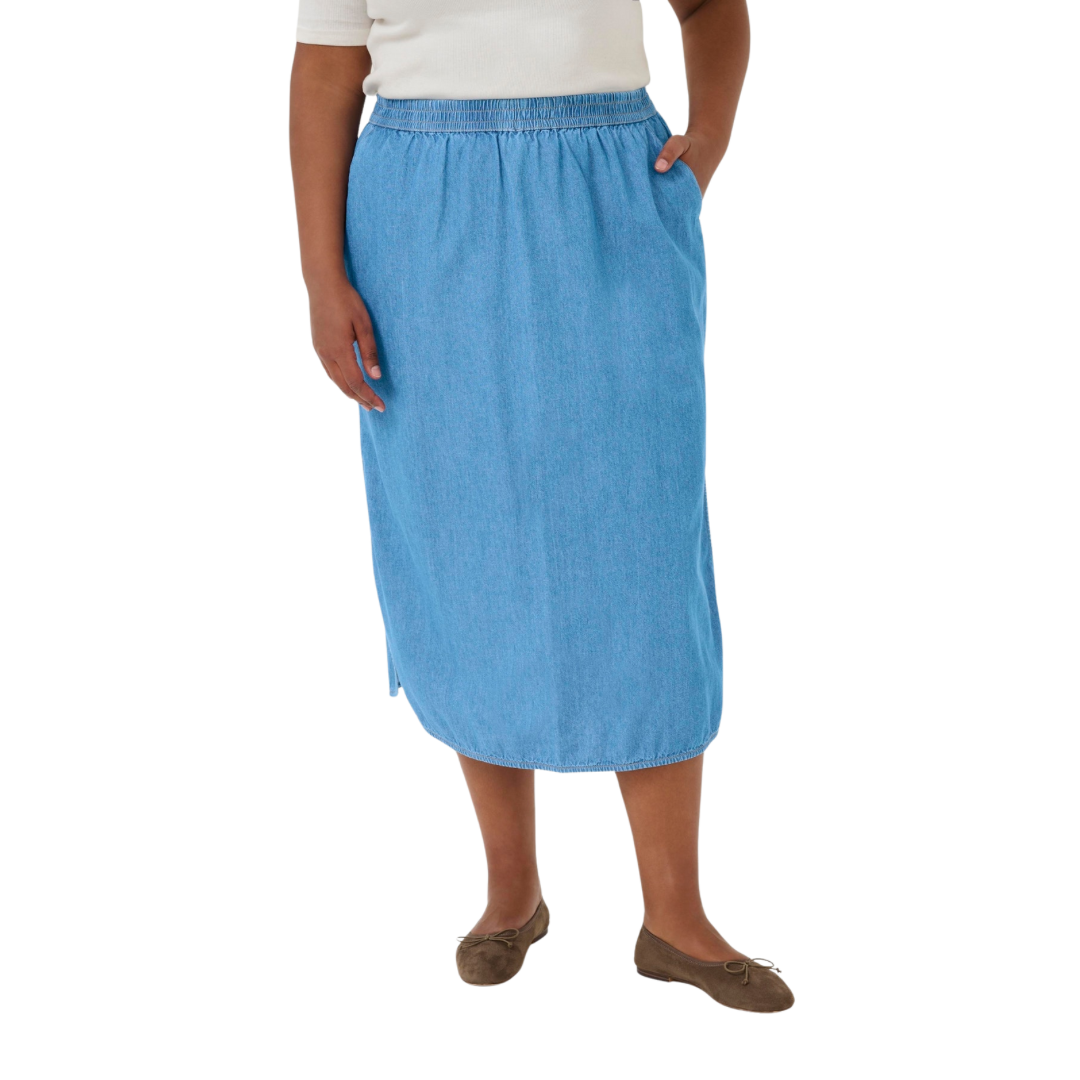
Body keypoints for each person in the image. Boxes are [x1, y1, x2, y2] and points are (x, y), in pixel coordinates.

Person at [290, 0, 792, 1011]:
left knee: (643, 548)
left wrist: (708, 139)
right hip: (419, 211)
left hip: (608, 192)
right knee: (463, 542)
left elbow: (710, 8)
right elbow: (326, 73)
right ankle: (510, 892)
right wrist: (321, 277)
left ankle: (675, 916)